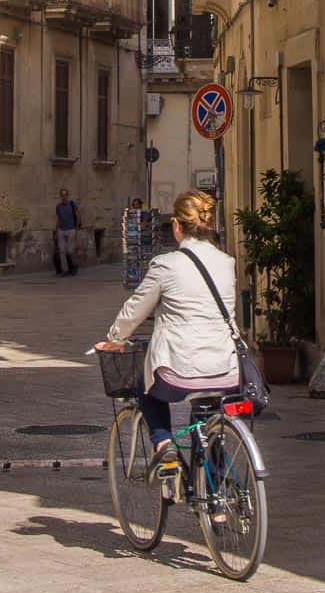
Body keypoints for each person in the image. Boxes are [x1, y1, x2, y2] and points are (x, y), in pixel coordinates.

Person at [96, 189, 237, 468]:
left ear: (176, 226)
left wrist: (115, 338)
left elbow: (135, 309)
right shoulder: (227, 263)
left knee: (143, 384)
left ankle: (163, 442)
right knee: (207, 417)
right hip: (226, 366)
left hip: (179, 368)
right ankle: (218, 498)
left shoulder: (165, 265)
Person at [55, 189, 81, 275]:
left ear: (67, 196)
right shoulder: (58, 207)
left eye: (65, 195)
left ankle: (75, 265)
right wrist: (56, 231)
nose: (63, 197)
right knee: (62, 251)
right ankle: (65, 270)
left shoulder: (72, 205)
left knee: (70, 251)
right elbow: (58, 219)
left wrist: (76, 228)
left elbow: (78, 216)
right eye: (62, 195)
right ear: (60, 196)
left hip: (71, 229)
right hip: (61, 230)